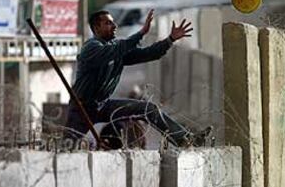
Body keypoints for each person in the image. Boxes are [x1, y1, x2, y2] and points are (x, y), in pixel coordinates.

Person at [64, 9, 207, 149]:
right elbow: (117, 49)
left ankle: (185, 139)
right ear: (96, 28)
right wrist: (141, 33)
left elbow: (147, 54)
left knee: (148, 109)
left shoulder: (116, 49)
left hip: (103, 106)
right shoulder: (92, 47)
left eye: (113, 23)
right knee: (67, 148)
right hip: (81, 107)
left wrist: (170, 40)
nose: (115, 26)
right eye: (108, 23)